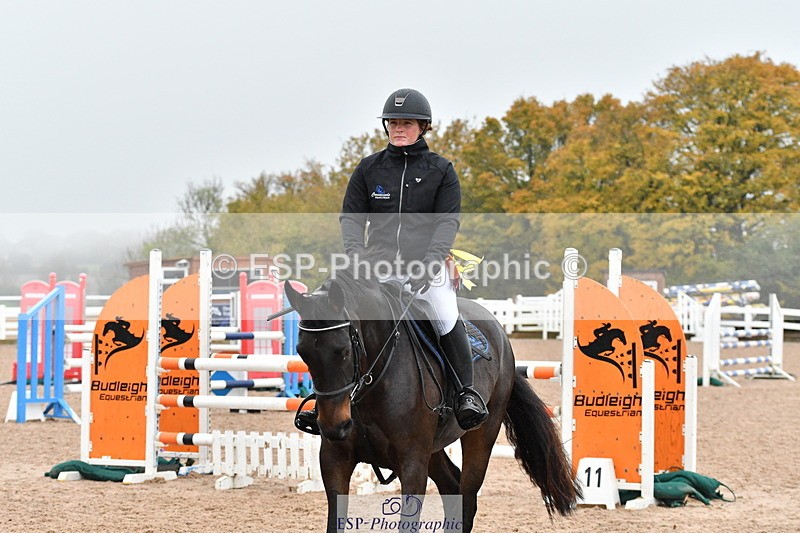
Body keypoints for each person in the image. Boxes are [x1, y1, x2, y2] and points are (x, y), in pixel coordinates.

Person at [296, 88, 488, 433]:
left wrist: (432, 261)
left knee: (445, 315)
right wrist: (355, 256)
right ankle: (326, 400)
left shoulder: (441, 170)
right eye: (394, 122)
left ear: (423, 127)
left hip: (424, 267)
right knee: (340, 318)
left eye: (407, 123)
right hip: (375, 267)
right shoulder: (369, 168)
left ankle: (466, 394)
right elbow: (351, 218)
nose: (399, 128)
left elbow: (447, 222)